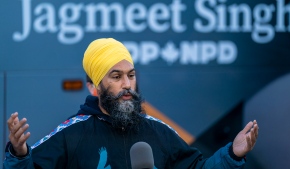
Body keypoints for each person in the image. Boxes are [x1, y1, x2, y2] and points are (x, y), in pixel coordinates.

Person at [4, 38, 259, 169]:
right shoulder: (72, 134)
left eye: (131, 75)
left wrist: (232, 155)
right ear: (95, 86)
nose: (127, 84)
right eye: (116, 77)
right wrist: (19, 154)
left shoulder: (159, 132)